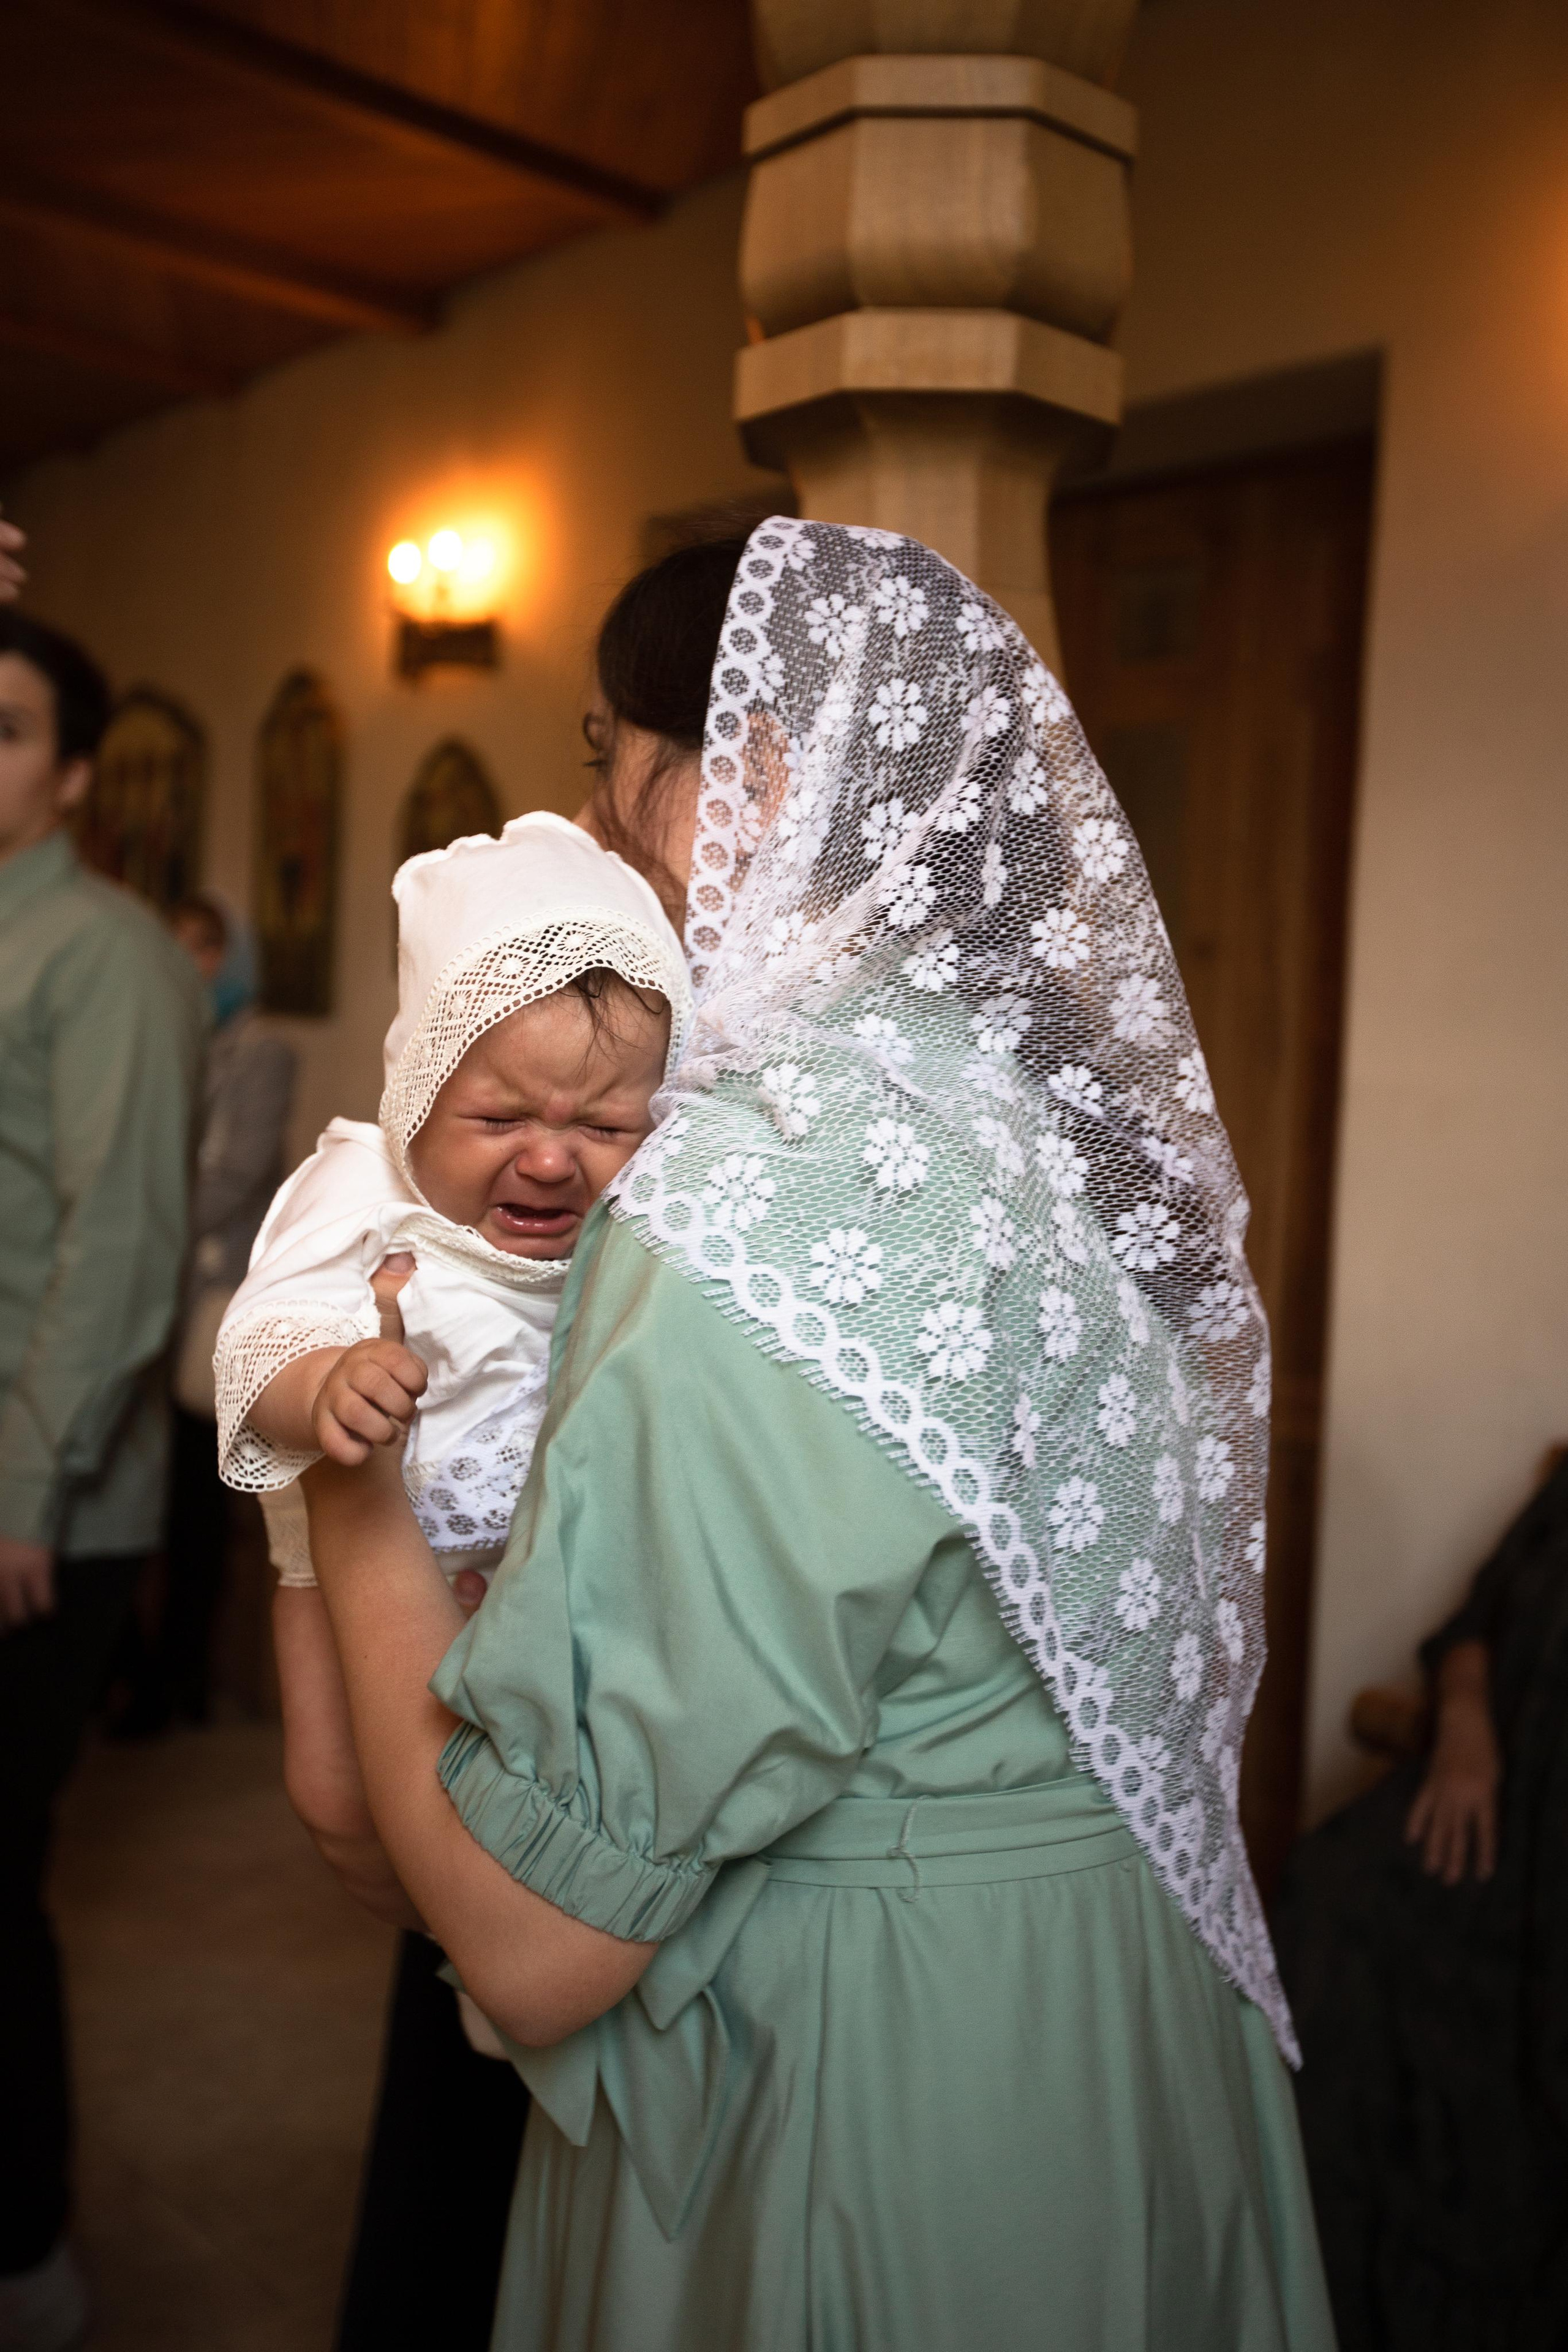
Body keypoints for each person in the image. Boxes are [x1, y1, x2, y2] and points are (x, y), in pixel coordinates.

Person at [294, 521, 1334, 2350]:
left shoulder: (757, 1202)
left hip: (873, 2091)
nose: (602, 835)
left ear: (745, 780)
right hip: (1106, 2025)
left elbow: (540, 1944)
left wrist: (344, 1478)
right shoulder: (1050, 1124)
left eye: (608, 770)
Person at [214, 813, 690, 2346]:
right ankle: (440, 1942)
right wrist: (329, 1387)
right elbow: (256, 1345)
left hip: (515, 1591)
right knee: (347, 1792)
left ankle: (493, 1971)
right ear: (418, 1091)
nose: (551, 1156)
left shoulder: (631, 1248)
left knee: (513, 1811)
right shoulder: (364, 1200)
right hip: (354, 1548)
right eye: (497, 1114)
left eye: (606, 1125)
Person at [0, 610, 205, 2351]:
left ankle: (26, 2257)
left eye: (1, 730)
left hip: (32, 1508)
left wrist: (24, 1488)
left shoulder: (105, 952)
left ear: (72, 773)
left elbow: (121, 1249)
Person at [1274, 1448, 1568, 2351]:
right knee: (1327, 1894)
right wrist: (1465, 1729)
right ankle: (1296, 2287)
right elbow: (1471, 1625)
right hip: (1491, 1788)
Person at [113, 894, 297, 1735]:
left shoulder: (263, 1051)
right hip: (158, 1287)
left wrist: (142, 1227)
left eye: (205, 947)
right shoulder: (163, 1036)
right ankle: (137, 1669)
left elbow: (235, 1174)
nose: (192, 965)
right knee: (143, 1482)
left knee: (195, 1492)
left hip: (210, 1295)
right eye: (176, 946)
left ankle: (177, 1677)